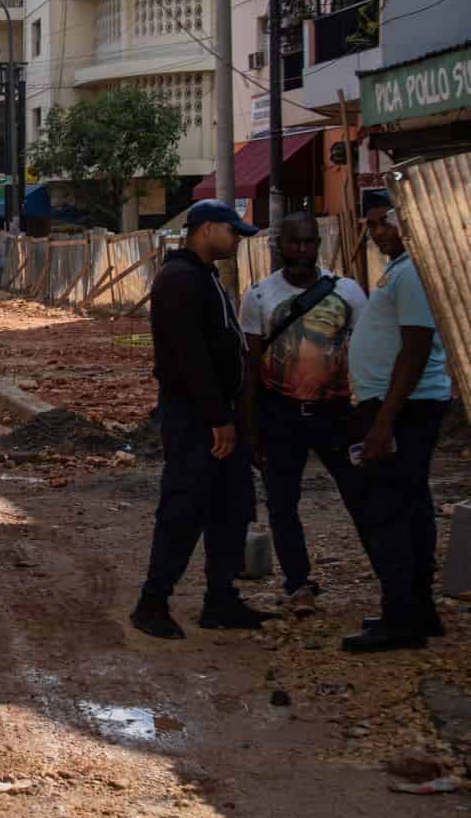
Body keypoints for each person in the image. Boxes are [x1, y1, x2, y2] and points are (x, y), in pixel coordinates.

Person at [131, 199, 277, 640]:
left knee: (230, 507)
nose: (237, 239)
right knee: (184, 506)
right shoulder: (178, 280)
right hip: (194, 416)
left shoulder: (203, 276)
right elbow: (190, 358)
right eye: (232, 231)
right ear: (207, 228)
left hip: (217, 411)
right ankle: (152, 602)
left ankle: (221, 599)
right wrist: (218, 419)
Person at [238, 212, 368, 618]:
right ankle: (298, 585)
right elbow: (251, 366)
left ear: (318, 245)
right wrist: (250, 427)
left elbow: (366, 354)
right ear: (280, 246)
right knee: (281, 504)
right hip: (280, 414)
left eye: (309, 242)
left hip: (336, 413)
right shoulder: (259, 296)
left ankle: (395, 580)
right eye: (295, 243)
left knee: (363, 495)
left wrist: (369, 417)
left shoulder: (347, 292)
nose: (302, 251)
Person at [338, 192, 453, 653]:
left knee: (387, 510)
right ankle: (416, 610)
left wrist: (383, 423)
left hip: (403, 409)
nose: (379, 231)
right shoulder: (402, 269)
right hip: (399, 405)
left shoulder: (413, 273)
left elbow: (416, 347)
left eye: (386, 221)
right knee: (411, 507)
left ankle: (400, 618)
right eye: (372, 224)